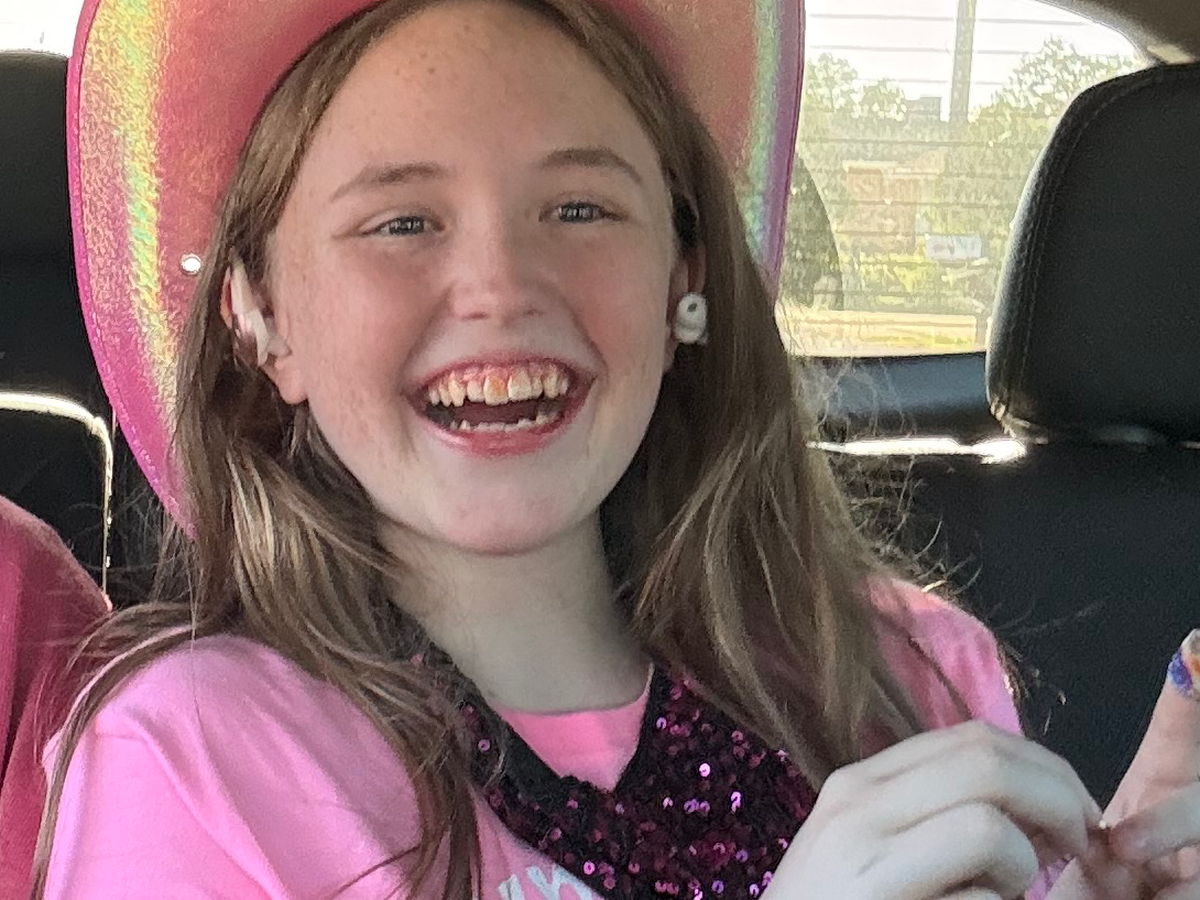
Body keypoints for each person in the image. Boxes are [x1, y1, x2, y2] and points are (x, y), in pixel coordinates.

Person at [31, 0, 1200, 897]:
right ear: (261, 318)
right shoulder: (192, 757)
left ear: (685, 280)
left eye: (580, 210)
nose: (500, 287)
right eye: (401, 223)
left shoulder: (902, 670)